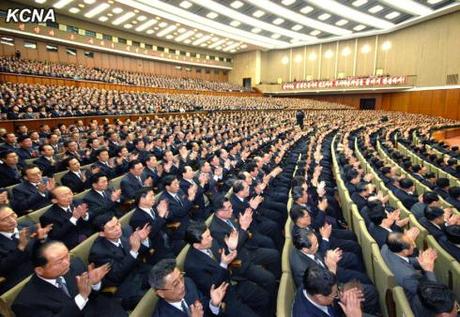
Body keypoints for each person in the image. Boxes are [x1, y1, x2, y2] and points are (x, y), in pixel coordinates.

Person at [12, 240, 127, 317]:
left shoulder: (75, 264)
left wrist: (94, 284)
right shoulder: (25, 303)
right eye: (59, 261)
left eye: (67, 256)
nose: (67, 263)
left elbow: (93, 297)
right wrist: (82, 297)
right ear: (39, 270)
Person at [184, 222, 271, 317]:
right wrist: (223, 265)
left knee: (264, 298)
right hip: (224, 297)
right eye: (207, 237)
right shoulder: (192, 265)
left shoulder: (212, 242)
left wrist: (230, 248)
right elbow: (212, 286)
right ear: (196, 245)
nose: (211, 238)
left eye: (209, 235)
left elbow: (224, 252)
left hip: (234, 281)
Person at [89, 215, 153, 310]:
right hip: (125, 286)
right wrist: (134, 251)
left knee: (165, 275)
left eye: (118, 223)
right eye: (112, 228)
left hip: (140, 272)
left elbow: (141, 252)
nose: (118, 229)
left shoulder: (126, 231)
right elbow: (117, 274)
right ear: (102, 233)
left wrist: (143, 240)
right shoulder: (98, 252)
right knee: (150, 299)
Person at [148, 259, 228, 317]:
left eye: (181, 277)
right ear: (161, 293)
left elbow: (203, 304)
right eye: (175, 284)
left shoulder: (188, 283)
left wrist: (213, 304)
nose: (182, 285)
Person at [381, 231, 438, 311]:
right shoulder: (409, 277)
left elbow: (405, 261)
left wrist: (420, 261)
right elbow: (430, 294)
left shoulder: (386, 247)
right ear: (405, 251)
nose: (414, 245)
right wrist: (429, 270)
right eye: (412, 244)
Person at [0, 206, 52, 293]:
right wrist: (20, 247)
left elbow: (45, 248)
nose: (12, 220)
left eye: (13, 215)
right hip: (21, 277)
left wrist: (42, 239)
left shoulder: (28, 225)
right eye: (5, 219)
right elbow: (2, 269)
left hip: (43, 265)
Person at [292, 266, 365, 317]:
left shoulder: (309, 284)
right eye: (335, 294)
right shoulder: (304, 314)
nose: (338, 294)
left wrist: (341, 298)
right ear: (320, 297)